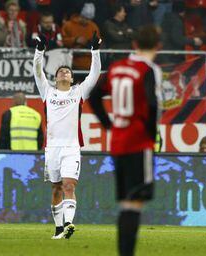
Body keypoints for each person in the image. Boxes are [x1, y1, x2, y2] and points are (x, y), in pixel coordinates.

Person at [88, 25, 162, 256]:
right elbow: (152, 104)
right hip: (138, 142)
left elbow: (94, 96)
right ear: (158, 46)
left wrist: (108, 125)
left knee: (126, 203)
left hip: (118, 142)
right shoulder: (149, 70)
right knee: (136, 202)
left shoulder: (117, 67)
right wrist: (151, 134)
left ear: (134, 45)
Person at [33, 32, 101, 239]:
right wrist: (39, 51)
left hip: (71, 148)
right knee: (55, 189)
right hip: (52, 148)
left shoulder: (78, 92)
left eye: (67, 72)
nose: (64, 73)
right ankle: (58, 228)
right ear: (55, 78)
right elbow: (37, 71)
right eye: (61, 71)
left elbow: (94, 74)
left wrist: (95, 51)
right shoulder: (47, 92)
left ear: (72, 78)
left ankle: (69, 223)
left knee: (69, 185)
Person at [62, 2, 101, 69]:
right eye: (84, 18)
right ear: (80, 15)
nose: (86, 21)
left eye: (88, 19)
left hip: (88, 63)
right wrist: (75, 40)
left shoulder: (93, 26)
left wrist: (89, 44)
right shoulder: (68, 25)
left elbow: (99, 42)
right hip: (71, 62)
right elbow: (62, 41)